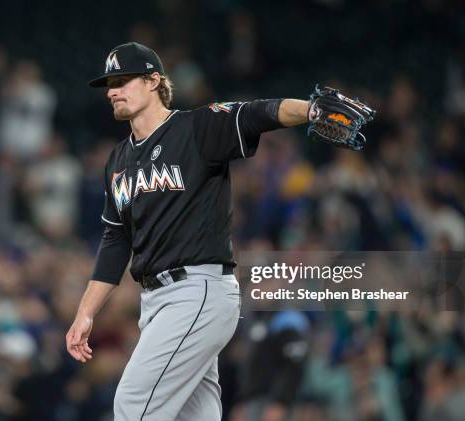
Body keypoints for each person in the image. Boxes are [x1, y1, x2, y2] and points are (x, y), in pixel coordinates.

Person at [65, 42, 317, 420]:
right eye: (108, 84)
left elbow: (257, 114)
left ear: (153, 81)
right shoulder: (118, 160)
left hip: (196, 291)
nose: (112, 90)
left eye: (122, 80)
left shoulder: (195, 128)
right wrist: (86, 313)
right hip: (156, 304)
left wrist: (311, 110)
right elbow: (116, 241)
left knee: (132, 405)